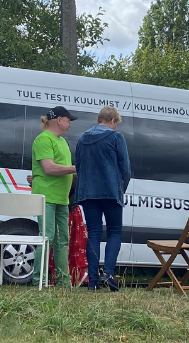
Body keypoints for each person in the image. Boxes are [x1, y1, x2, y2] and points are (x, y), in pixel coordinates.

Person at [76, 106, 131, 292]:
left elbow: (79, 166)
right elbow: (126, 170)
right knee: (115, 231)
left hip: (88, 194)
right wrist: (120, 189)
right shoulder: (116, 137)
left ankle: (92, 282)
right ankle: (107, 273)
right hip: (110, 192)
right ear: (113, 121)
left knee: (93, 233)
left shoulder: (83, 139)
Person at [30, 106, 78, 288]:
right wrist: (76, 168)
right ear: (59, 119)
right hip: (46, 197)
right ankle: (39, 280)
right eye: (68, 121)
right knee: (47, 237)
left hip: (62, 198)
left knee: (63, 240)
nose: (69, 125)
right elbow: (49, 168)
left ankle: (64, 282)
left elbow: (63, 170)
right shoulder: (43, 139)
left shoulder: (63, 142)